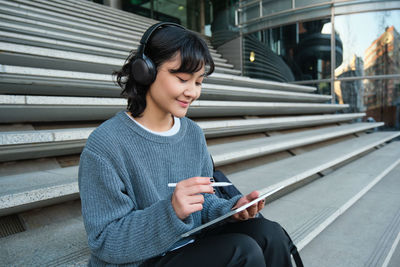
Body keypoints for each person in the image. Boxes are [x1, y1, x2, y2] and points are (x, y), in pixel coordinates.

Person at [78, 22, 293, 267]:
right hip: (140, 261)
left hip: (188, 244)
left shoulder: (192, 133)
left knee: (269, 234)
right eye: (182, 79)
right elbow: (104, 241)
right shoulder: (105, 145)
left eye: (199, 82)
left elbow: (204, 202)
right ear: (145, 71)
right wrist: (171, 212)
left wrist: (231, 209)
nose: (192, 92)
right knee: (241, 252)